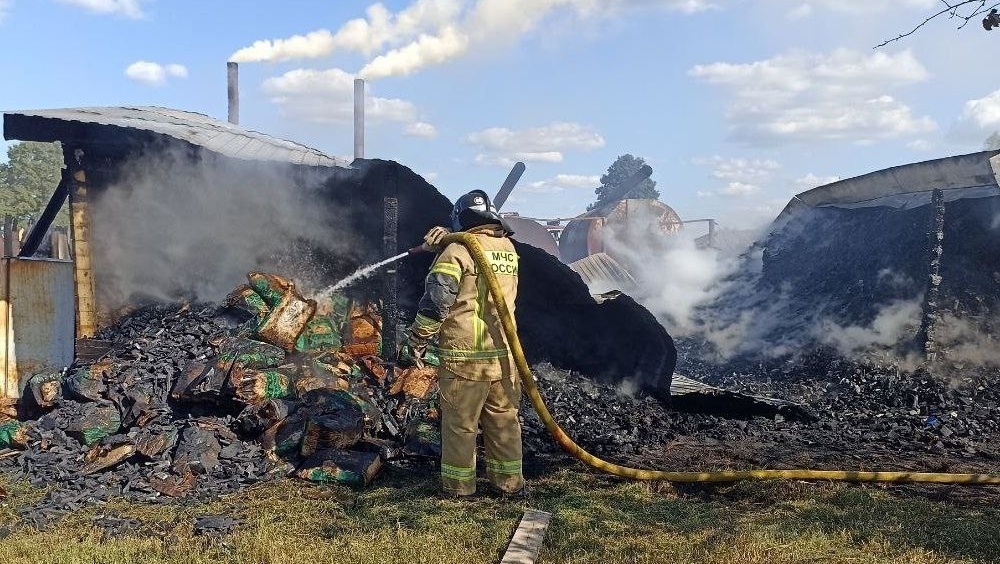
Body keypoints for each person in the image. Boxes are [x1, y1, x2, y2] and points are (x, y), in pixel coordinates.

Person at [399, 190, 524, 497]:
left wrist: (417, 340)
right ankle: (508, 484)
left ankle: (459, 488)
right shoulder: (507, 248)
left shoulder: (456, 252)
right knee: (504, 422)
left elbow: (436, 302)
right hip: (504, 357)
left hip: (465, 356)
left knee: (461, 426)